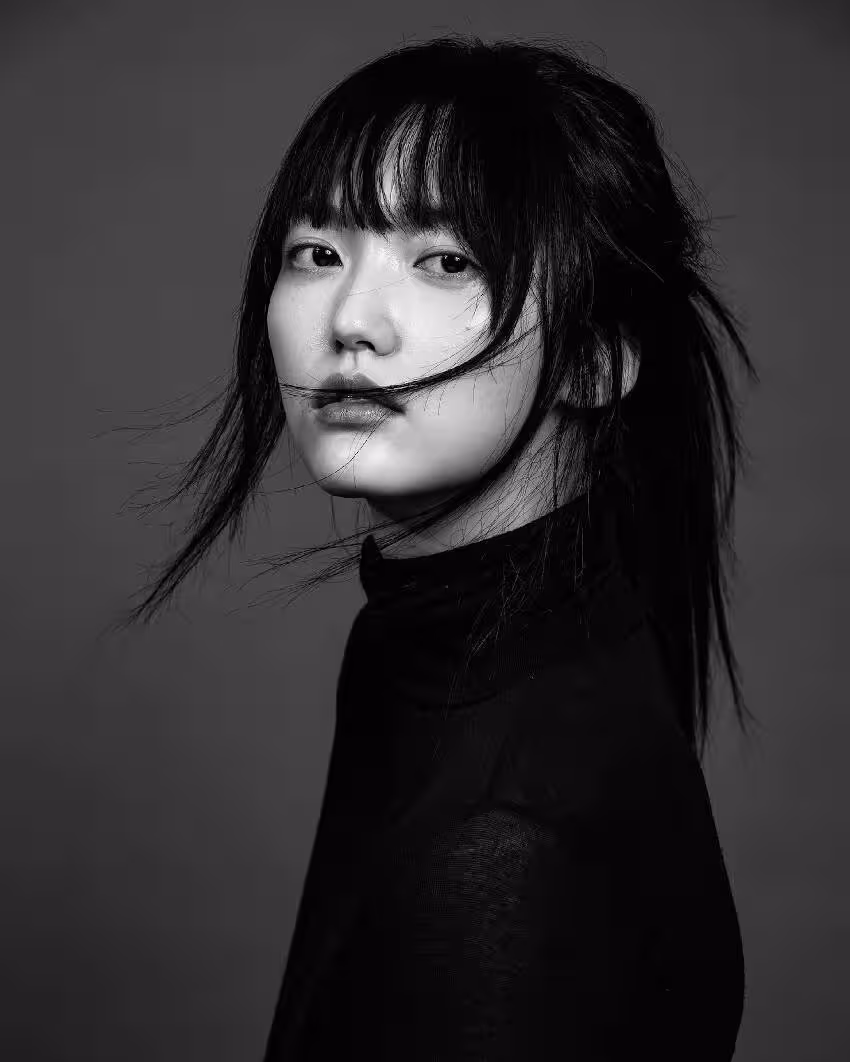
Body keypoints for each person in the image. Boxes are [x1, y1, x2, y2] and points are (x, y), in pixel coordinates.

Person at [111, 33, 759, 1061]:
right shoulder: (433, 652)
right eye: (318, 253)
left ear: (596, 356)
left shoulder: (505, 843)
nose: (351, 321)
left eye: (446, 261)